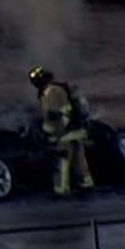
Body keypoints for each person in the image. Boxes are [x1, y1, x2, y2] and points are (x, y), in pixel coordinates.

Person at [29, 66, 94, 197]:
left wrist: (48, 134)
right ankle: (86, 185)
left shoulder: (52, 92)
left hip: (64, 135)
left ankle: (61, 191)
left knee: (61, 162)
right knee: (79, 160)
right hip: (77, 131)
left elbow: (56, 117)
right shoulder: (60, 88)